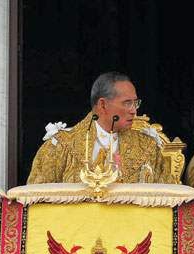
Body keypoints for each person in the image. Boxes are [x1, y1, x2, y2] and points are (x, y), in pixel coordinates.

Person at [27, 72, 175, 184]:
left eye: (136, 103)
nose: (134, 110)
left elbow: (168, 197)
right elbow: (37, 199)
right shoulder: (60, 146)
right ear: (103, 105)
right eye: (127, 103)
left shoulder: (147, 147)